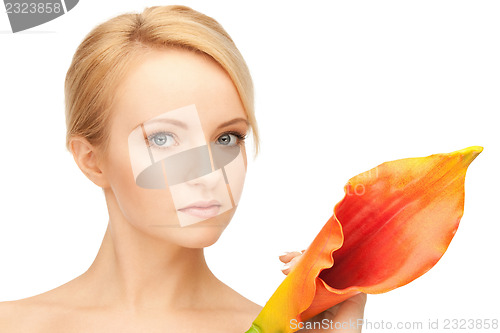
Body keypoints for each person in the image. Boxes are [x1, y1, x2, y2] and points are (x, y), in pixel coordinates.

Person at [0, 5, 366, 332]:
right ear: (90, 159)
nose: (209, 176)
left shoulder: (273, 330)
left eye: (227, 138)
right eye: (162, 139)